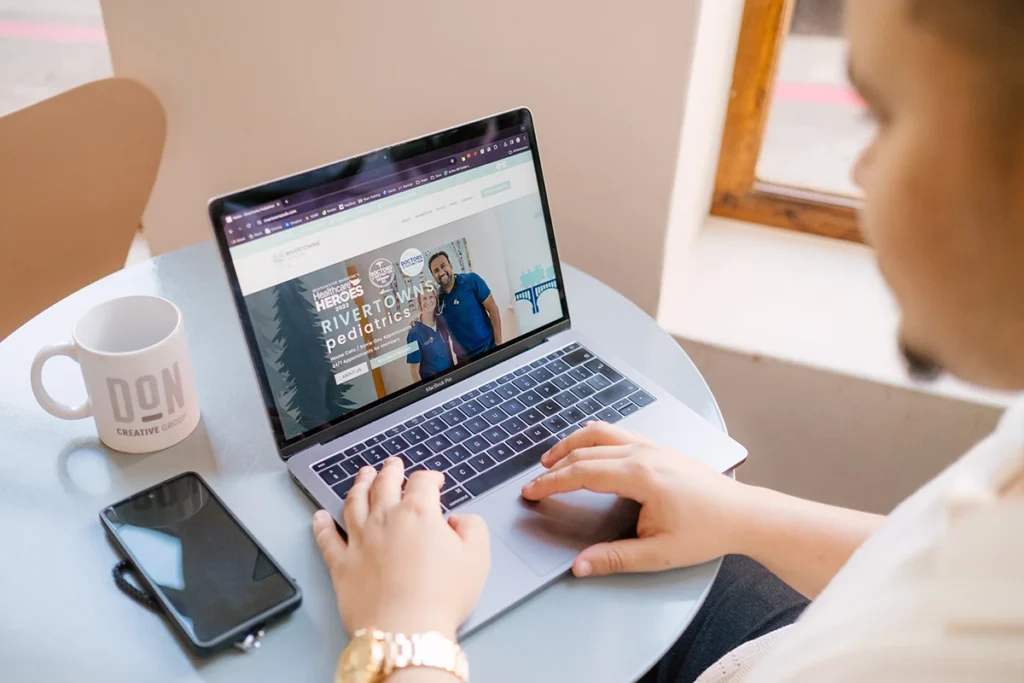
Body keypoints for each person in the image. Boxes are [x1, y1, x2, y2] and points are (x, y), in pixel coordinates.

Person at [312, 1, 1024, 681]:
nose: (859, 171)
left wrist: (407, 630)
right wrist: (741, 513)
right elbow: (953, 559)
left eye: (886, 114)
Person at [427, 251, 502, 361]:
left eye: (443, 266)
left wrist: (498, 345)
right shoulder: (437, 299)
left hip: (488, 349)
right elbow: (442, 335)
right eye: (436, 271)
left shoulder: (471, 280)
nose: (441, 272)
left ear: (450, 265)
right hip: (464, 361)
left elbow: (493, 309)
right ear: (433, 276)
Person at [406, 288, 456, 383]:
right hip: (432, 385)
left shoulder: (442, 320)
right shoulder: (413, 333)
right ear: (419, 303)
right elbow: (414, 371)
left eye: (431, 297)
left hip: (451, 378)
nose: (428, 301)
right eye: (424, 298)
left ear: (436, 299)